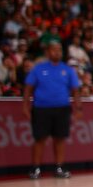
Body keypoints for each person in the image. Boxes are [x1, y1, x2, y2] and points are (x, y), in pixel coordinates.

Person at [22, 35, 80, 179]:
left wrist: (78, 108)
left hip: (62, 108)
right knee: (39, 138)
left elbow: (75, 90)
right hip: (41, 108)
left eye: (59, 50)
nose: (57, 52)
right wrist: (25, 106)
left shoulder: (68, 70)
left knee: (60, 138)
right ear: (47, 52)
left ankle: (59, 167)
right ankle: (36, 168)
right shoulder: (38, 69)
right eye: (54, 50)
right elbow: (28, 88)